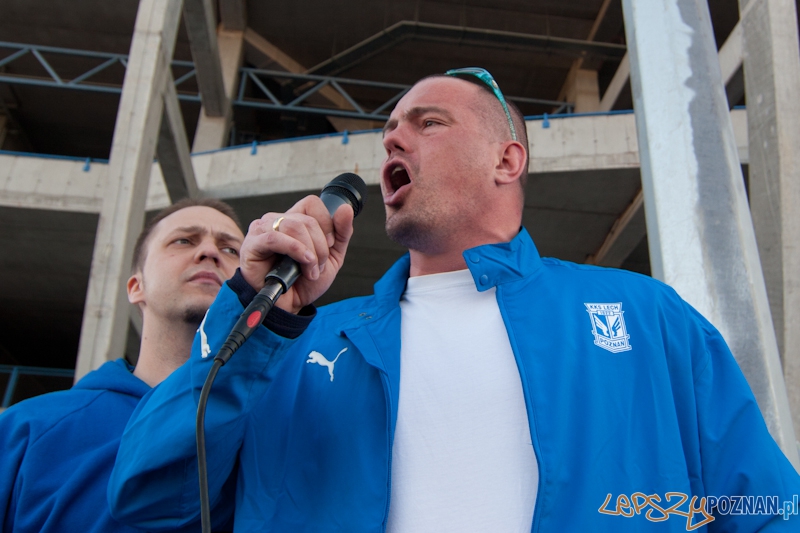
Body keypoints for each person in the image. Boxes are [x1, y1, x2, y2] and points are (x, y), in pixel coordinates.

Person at [108, 69, 800, 532]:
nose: (393, 138)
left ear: (507, 159)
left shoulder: (647, 317)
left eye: (427, 122)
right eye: (388, 132)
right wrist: (254, 313)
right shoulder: (295, 347)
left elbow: (768, 506)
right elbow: (144, 506)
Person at [0, 197, 244, 533]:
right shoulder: (23, 429)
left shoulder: (270, 434)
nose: (210, 252)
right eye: (184, 240)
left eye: (231, 250)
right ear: (136, 286)